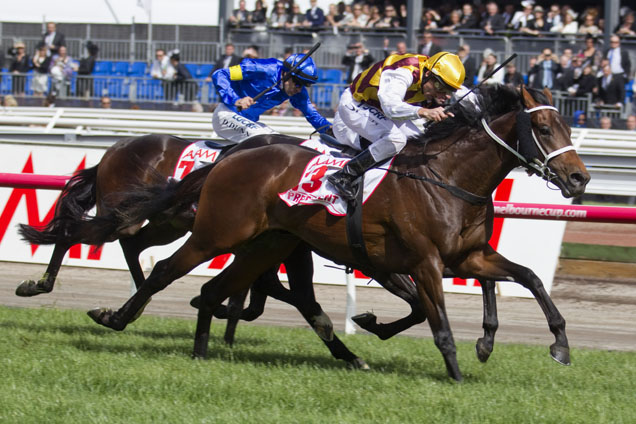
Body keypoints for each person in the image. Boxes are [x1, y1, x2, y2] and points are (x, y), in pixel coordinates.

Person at [329, 51, 466, 200]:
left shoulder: (433, 74)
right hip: (356, 103)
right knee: (396, 139)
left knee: (419, 141)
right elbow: (391, 107)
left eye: (449, 90)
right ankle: (345, 175)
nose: (444, 95)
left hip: (379, 109)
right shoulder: (404, 72)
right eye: (441, 87)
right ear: (427, 74)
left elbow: (471, 96)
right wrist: (424, 111)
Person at [211, 52, 331, 143]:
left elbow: (314, 117)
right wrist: (236, 99)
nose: (299, 89)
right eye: (298, 83)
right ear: (287, 74)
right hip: (226, 114)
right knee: (267, 141)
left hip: (249, 123)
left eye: (305, 85)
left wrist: (332, 132)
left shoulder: (298, 92)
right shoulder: (263, 68)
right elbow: (220, 74)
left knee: (284, 143)